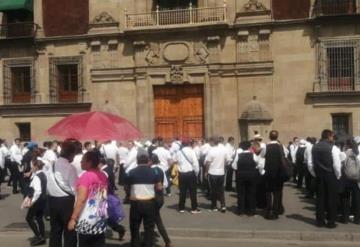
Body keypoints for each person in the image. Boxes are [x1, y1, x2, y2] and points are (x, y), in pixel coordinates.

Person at [67, 151, 108, 247]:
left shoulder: (86, 176)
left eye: (82, 160)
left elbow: (81, 199)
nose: (80, 162)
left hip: (86, 219)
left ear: (89, 162)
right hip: (100, 217)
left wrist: (73, 219)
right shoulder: (103, 175)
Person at [125, 148, 163, 247]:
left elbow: (126, 186)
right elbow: (159, 187)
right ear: (147, 161)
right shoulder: (154, 172)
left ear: (137, 161)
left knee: (134, 227)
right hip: (150, 202)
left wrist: (130, 194)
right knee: (149, 228)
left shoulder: (131, 172)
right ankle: (148, 244)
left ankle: (135, 244)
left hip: (136, 203)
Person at [46, 140, 78, 247]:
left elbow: (48, 182)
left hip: (52, 200)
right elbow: (74, 188)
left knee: (55, 230)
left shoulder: (52, 164)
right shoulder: (70, 167)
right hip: (66, 202)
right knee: (69, 230)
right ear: (71, 154)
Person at [312, 129, 341, 228]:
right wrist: (338, 175)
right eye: (332, 136)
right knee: (331, 199)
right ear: (329, 136)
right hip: (330, 175)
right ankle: (331, 221)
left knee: (320, 198)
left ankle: (320, 221)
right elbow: (337, 164)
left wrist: (315, 174)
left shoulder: (314, 147)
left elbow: (311, 163)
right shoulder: (333, 148)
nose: (333, 138)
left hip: (319, 175)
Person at [99, 153, 126, 241]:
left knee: (104, 216)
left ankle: (119, 229)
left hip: (105, 196)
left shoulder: (104, 171)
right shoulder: (108, 170)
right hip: (108, 194)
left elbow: (104, 185)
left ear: (100, 163)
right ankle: (119, 229)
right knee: (105, 216)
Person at [233, 141, 262, 216]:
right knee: (251, 193)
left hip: (241, 176)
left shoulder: (238, 155)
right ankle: (251, 211)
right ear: (249, 147)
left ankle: (241, 210)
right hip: (251, 176)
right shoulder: (253, 155)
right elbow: (259, 164)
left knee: (241, 193)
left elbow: (234, 166)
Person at [23, 158, 47, 246]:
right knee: (39, 218)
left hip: (37, 200)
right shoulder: (42, 174)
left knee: (29, 218)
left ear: (36, 166)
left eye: (32, 166)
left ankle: (39, 236)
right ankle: (42, 236)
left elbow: (38, 191)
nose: (31, 167)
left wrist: (32, 201)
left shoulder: (37, 176)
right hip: (43, 199)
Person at [173, 138, 201, 214]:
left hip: (182, 174)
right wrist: (196, 173)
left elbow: (174, 160)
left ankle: (181, 207)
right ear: (189, 144)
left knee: (182, 191)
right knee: (193, 192)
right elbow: (195, 164)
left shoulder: (179, 152)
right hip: (190, 173)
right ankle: (194, 208)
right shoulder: (191, 151)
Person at [151, 154, 172, 247]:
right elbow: (166, 185)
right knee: (153, 218)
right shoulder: (161, 169)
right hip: (160, 198)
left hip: (153, 198)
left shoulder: (151, 170)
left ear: (151, 161)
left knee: (156, 220)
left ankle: (167, 240)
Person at [263, 130, 285, 220]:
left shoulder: (266, 147)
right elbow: (285, 158)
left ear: (269, 136)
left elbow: (261, 160)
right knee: (277, 193)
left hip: (268, 173)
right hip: (278, 173)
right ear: (277, 136)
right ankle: (276, 212)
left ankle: (269, 210)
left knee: (268, 193)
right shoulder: (281, 147)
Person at [205, 136, 230, 213]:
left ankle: (214, 206)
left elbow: (208, 162)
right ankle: (223, 205)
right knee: (221, 190)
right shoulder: (224, 150)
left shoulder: (211, 151)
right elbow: (228, 160)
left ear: (212, 142)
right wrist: (223, 165)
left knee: (213, 190)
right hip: (221, 172)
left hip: (213, 172)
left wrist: (206, 172)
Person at [340, 139, 360, 224]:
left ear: (347, 145)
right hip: (357, 179)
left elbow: (339, 165)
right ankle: (357, 219)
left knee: (345, 198)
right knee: (357, 199)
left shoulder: (343, 153)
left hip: (346, 178)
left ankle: (345, 218)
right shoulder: (358, 153)